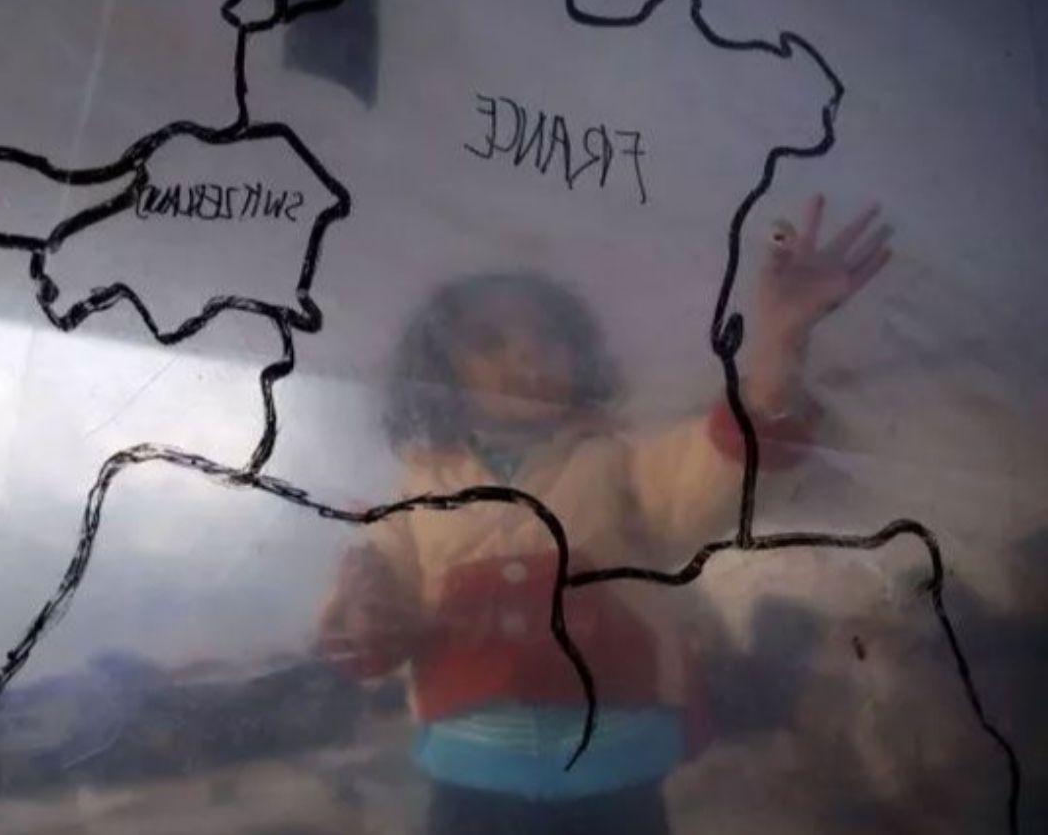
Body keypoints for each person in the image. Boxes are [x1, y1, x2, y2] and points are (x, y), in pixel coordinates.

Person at [319, 196, 893, 833]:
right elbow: (371, 610)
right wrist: (360, 614)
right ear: (437, 369)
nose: (527, 356)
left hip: (617, 769)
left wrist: (779, 348)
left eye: (550, 336)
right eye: (489, 341)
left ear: (583, 355)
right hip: (469, 775)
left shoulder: (614, 461)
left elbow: (718, 471)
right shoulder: (417, 489)